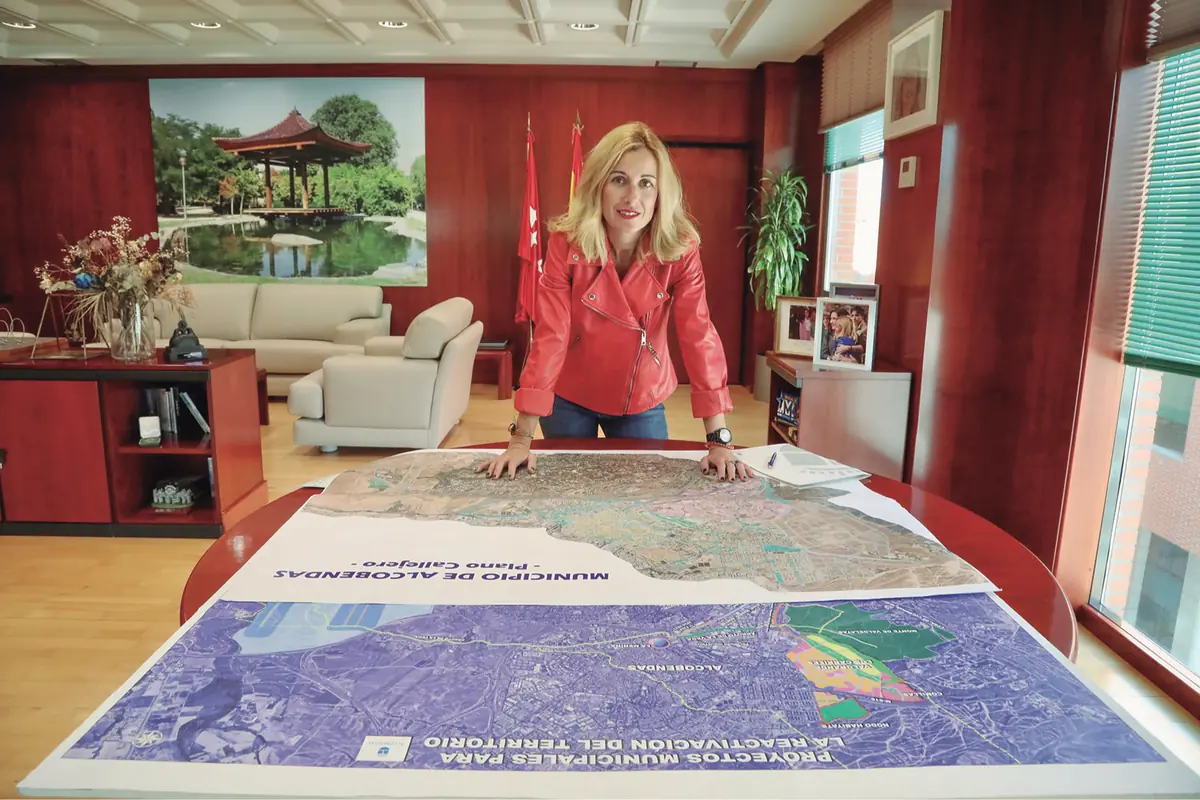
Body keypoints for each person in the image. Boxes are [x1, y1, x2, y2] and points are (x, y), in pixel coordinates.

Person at [478, 121, 750, 483]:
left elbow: (698, 334)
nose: (631, 198)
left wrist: (719, 439)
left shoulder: (681, 249)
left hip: (641, 397)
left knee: (644, 498)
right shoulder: (565, 244)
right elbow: (551, 336)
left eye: (646, 183)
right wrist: (521, 437)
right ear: (599, 186)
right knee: (569, 495)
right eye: (619, 179)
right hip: (570, 394)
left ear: (660, 194)